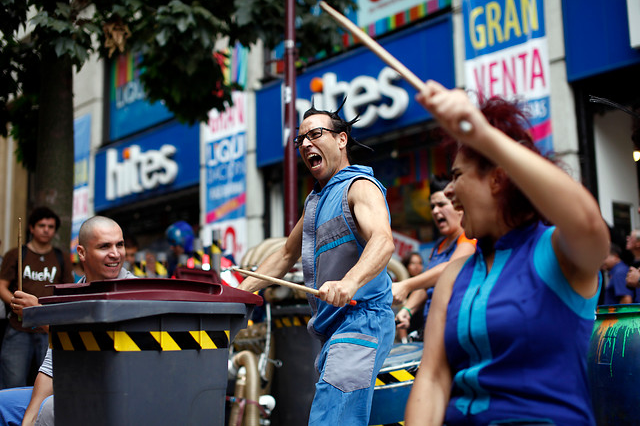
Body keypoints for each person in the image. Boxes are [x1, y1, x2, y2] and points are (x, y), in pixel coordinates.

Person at [404, 81, 609, 425]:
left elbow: (589, 223)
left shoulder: (556, 253)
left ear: (498, 179)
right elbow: (433, 379)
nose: (449, 192)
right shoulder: (454, 277)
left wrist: (481, 134)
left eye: (457, 176)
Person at [238, 104, 395, 425]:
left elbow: (383, 240)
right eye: (301, 140)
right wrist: (237, 293)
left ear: (341, 140)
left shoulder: (359, 187)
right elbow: (284, 255)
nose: (306, 143)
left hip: (362, 322)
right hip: (333, 330)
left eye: (316, 134)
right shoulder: (316, 202)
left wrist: (349, 282)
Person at [0, 215, 135, 426]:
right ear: (81, 252)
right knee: (3, 404)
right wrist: (29, 418)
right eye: (104, 246)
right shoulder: (71, 296)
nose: (115, 254)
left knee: (50, 408)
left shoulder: (136, 292)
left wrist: (39, 314)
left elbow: (103, 348)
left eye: (120, 244)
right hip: (72, 385)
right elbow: (52, 366)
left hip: (117, 394)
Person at [393, 178, 476, 340]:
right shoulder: (439, 245)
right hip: (434, 329)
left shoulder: (469, 236)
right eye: (432, 207)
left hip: (457, 328)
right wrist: (407, 309)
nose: (436, 211)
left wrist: (406, 285)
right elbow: (427, 285)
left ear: (458, 206)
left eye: (441, 204)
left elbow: (450, 269)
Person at [0, 207, 73, 389]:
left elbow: (68, 292)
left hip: (49, 332)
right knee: (12, 384)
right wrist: (18, 305)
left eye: (51, 226)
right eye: (42, 225)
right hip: (18, 328)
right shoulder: (16, 254)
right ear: (31, 228)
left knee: (49, 385)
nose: (46, 229)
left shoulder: (61, 257)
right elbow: (1, 286)